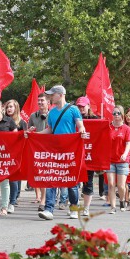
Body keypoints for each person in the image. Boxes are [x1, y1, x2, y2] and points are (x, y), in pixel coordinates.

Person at [35, 85, 86, 221]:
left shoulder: (73, 109)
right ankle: (49, 209)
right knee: (52, 177)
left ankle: (74, 207)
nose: (50, 97)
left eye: (52, 94)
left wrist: (81, 132)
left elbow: (80, 125)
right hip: (55, 150)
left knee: (71, 180)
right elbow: (50, 129)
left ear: (61, 94)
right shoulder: (51, 113)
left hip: (70, 150)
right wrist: (36, 135)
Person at [107, 105, 130, 213]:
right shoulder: (108, 127)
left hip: (122, 160)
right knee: (111, 184)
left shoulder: (126, 129)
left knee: (121, 186)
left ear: (122, 115)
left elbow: (128, 143)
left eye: (118, 113)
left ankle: (122, 200)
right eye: (114, 113)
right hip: (110, 160)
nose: (116, 115)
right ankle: (113, 206)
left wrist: (125, 153)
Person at [76, 96, 99, 216]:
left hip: (90, 155)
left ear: (88, 106)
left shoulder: (96, 119)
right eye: (79, 106)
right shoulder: (73, 118)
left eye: (83, 106)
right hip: (75, 154)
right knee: (74, 181)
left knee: (88, 181)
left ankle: (86, 207)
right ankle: (74, 205)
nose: (81, 109)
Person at [4, 99, 27, 214]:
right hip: (4, 154)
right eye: (7, 106)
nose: (9, 109)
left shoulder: (22, 123)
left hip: (17, 154)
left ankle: (12, 201)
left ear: (16, 108)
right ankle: (12, 197)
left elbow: (25, 139)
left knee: (14, 178)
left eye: (11, 106)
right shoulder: (3, 122)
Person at [28, 93, 49, 211]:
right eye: (39, 100)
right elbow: (28, 131)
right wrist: (29, 130)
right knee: (40, 174)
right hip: (37, 149)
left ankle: (45, 200)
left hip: (50, 148)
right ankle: (43, 198)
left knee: (47, 174)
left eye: (42, 100)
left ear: (48, 103)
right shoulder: (32, 116)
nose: (40, 102)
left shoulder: (53, 114)